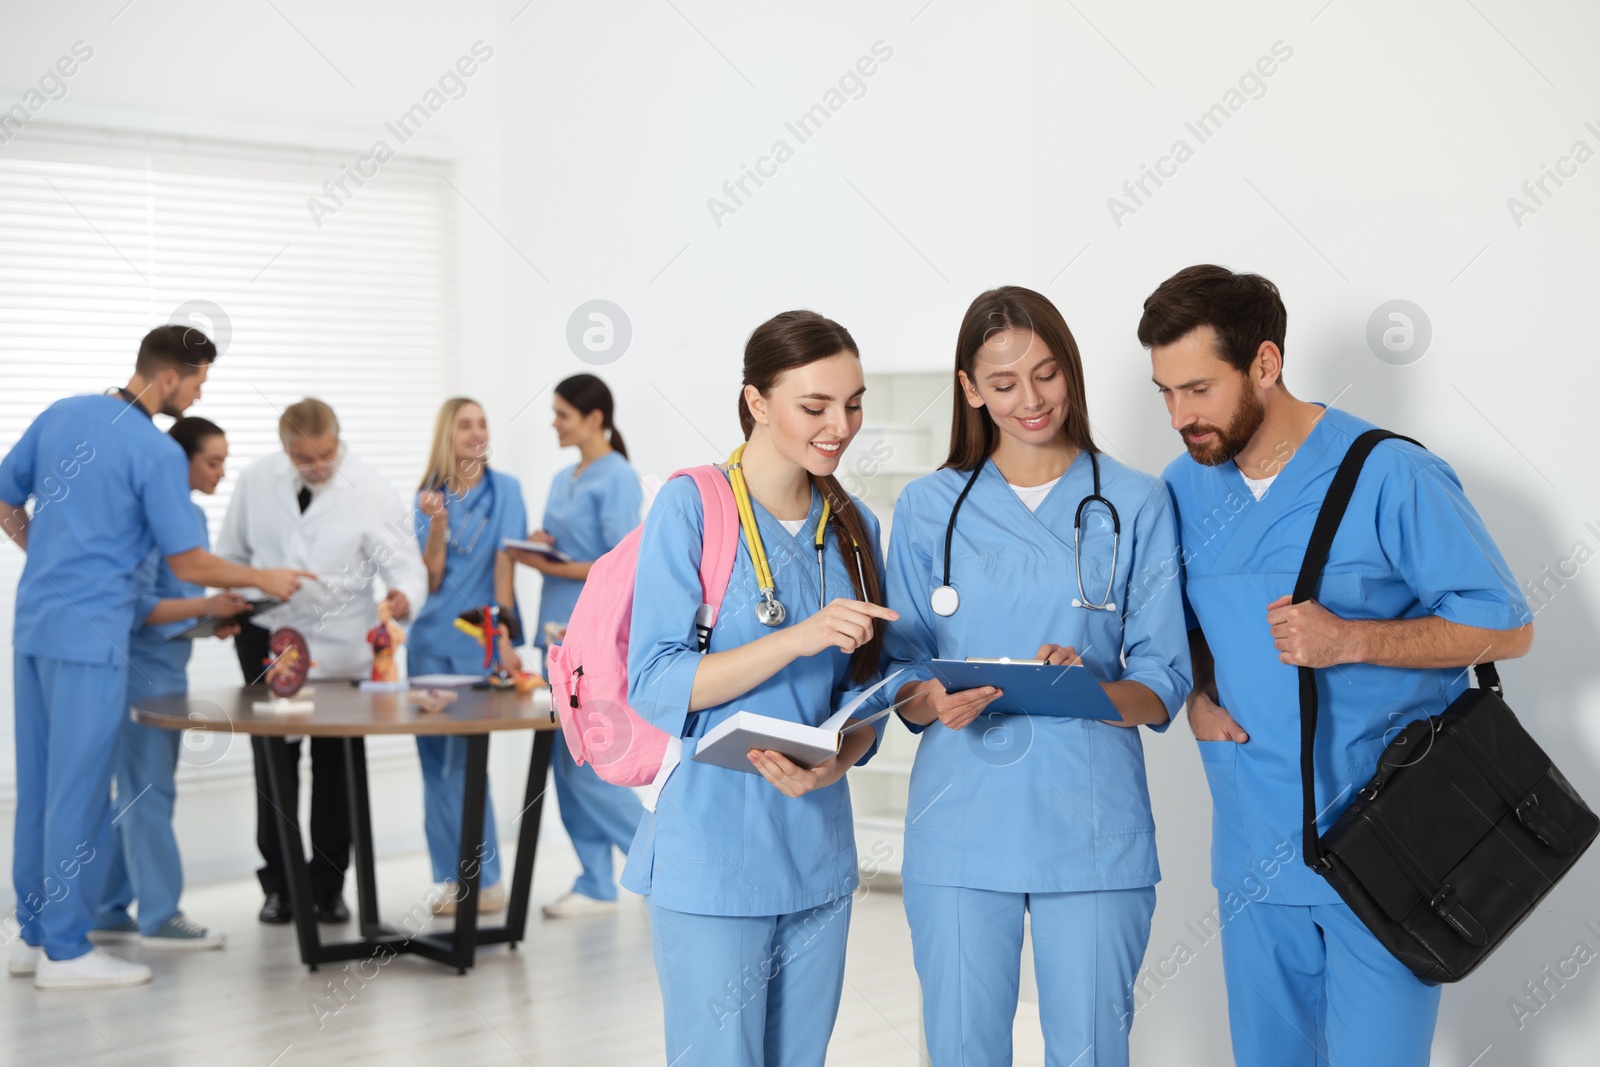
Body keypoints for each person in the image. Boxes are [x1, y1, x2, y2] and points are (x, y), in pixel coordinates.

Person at [1142, 264, 1534, 1067]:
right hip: (1254, 855)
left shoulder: (1391, 474)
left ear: (1265, 362)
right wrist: (1198, 697)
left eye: (1199, 389)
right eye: (1165, 393)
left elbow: (1508, 625)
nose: (1181, 416)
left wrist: (1354, 638)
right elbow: (1179, 626)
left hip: (1383, 849)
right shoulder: (1180, 490)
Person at [882, 287, 1191, 1065]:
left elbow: (1162, 676)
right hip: (959, 827)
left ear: (1072, 372)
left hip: (1088, 826)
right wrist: (928, 697)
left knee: (1089, 1049)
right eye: (1005, 382)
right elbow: (902, 668)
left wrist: (1091, 684)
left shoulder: (1136, 501)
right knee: (960, 1049)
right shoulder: (927, 507)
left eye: (1047, 374)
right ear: (970, 389)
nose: (1031, 400)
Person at [624, 310, 897, 1065]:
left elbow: (869, 695)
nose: (840, 425)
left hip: (815, 850)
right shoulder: (692, 506)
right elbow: (653, 682)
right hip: (712, 852)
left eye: (854, 402)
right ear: (756, 401)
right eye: (815, 407)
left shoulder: (853, 525)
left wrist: (845, 756)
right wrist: (798, 636)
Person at [1, 326, 309, 989]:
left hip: (34, 627)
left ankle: (30, 937)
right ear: (168, 378)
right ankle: (66, 950)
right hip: (91, 640)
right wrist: (266, 578)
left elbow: (5, 494)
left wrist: (46, 557)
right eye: (198, 381)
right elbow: (189, 562)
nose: (199, 393)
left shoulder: (63, 413)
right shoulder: (152, 451)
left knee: (42, 785)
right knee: (82, 794)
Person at [217, 398, 427, 926]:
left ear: (339, 438)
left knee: (336, 770)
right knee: (274, 768)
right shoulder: (256, 480)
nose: (316, 466)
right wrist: (235, 597)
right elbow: (231, 554)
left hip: (340, 645)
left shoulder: (371, 488)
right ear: (284, 449)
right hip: (269, 636)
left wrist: (402, 599)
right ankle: (281, 886)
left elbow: (406, 568)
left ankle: (329, 887)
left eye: (325, 454)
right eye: (302, 458)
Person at [91, 417, 244, 953]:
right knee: (148, 793)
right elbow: (135, 607)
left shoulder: (194, 519)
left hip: (170, 667)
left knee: (135, 796)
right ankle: (160, 915)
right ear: (180, 462)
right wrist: (206, 604)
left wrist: (211, 619)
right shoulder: (148, 519)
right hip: (140, 673)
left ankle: (107, 908)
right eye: (213, 461)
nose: (222, 472)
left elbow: (176, 603)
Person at [505, 374, 644, 918]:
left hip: (589, 636)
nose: (554, 423)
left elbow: (619, 564)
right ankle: (595, 882)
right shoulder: (565, 476)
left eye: (562, 414)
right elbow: (568, 550)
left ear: (593, 417)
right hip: (553, 631)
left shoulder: (618, 477)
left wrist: (551, 564)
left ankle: (657, 856)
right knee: (567, 763)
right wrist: (544, 548)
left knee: (584, 764)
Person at [411, 397, 526, 915]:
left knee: (467, 766)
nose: (477, 433)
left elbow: (506, 566)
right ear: (448, 436)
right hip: (429, 644)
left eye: (483, 423)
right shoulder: (427, 498)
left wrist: (502, 634)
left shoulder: (508, 492)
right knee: (435, 768)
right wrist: (435, 524)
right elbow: (429, 577)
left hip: (476, 639)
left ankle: (486, 879)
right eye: (466, 425)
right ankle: (449, 880)